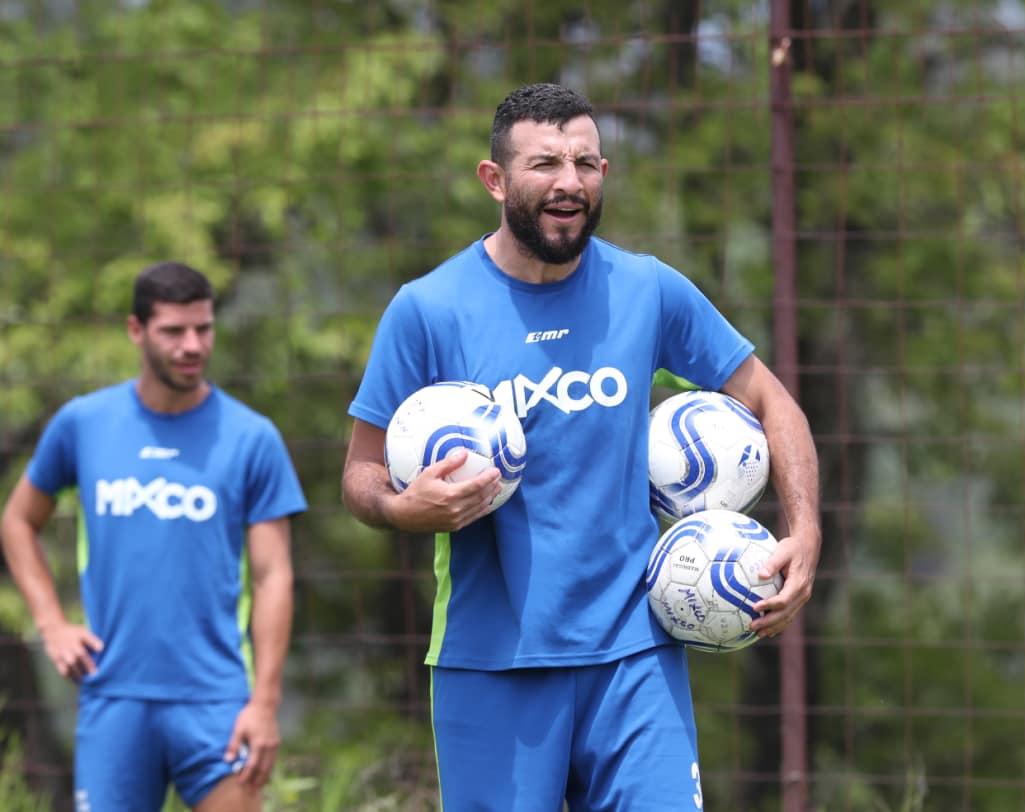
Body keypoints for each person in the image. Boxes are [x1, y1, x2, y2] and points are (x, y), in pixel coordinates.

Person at [341, 83, 821, 811]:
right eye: (545, 164)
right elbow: (360, 474)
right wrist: (405, 509)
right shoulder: (428, 310)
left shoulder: (647, 289)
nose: (569, 182)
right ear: (494, 179)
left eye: (586, 163)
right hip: (489, 660)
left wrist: (806, 528)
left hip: (636, 650)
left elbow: (772, 401)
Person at [1, 262, 307, 811]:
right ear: (136, 330)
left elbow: (273, 576)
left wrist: (264, 704)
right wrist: (51, 625)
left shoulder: (252, 438)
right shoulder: (83, 424)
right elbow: (18, 521)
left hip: (217, 702)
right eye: (173, 331)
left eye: (203, 328)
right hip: (114, 696)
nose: (192, 345)